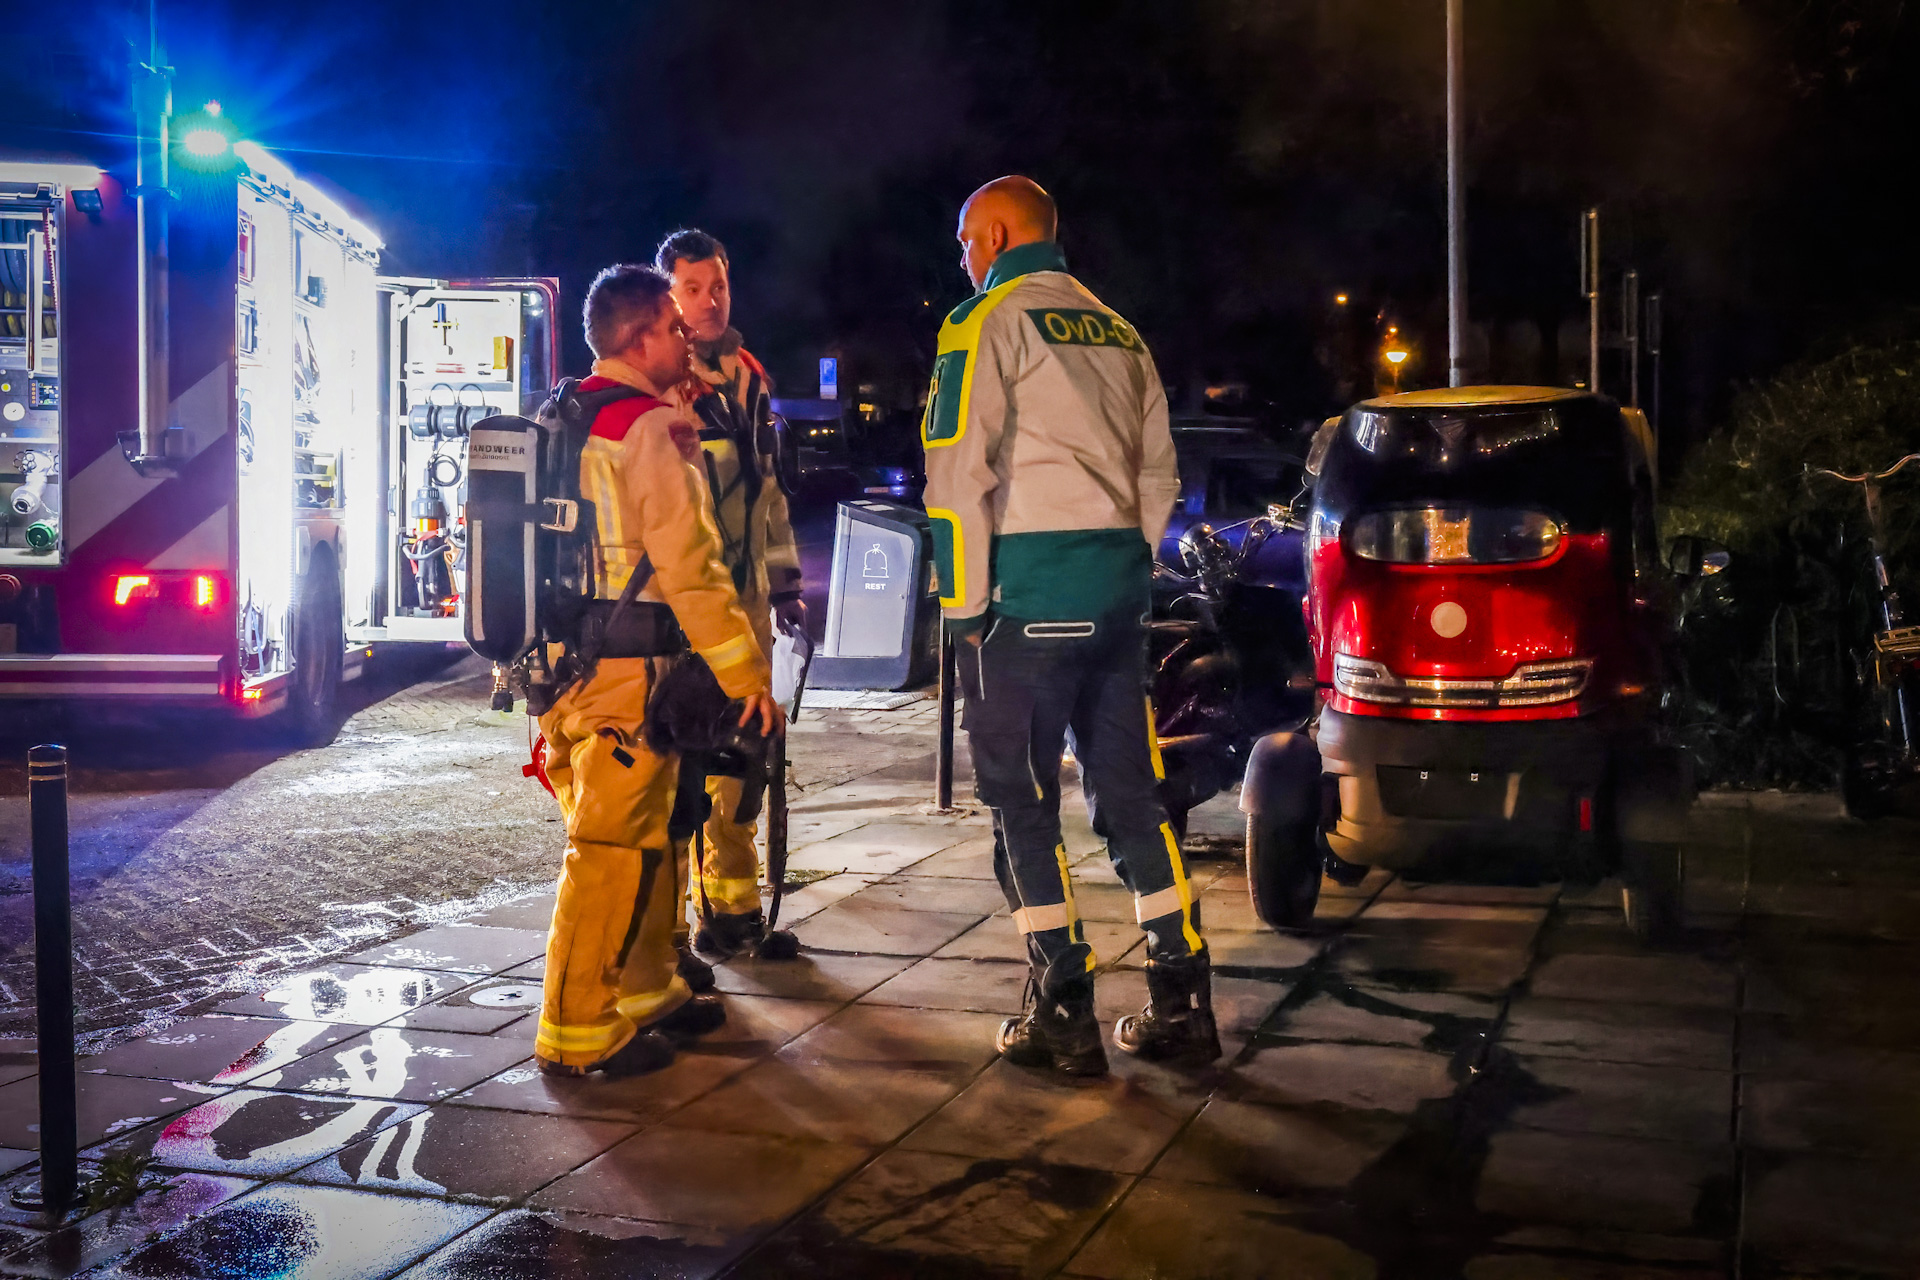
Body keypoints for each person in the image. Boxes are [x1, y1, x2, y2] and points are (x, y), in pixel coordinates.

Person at [921, 176, 1213, 1077]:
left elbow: (955, 478)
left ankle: (1063, 1010)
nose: (963, 258)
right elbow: (1159, 476)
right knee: (1132, 799)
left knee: (1022, 804)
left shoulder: (985, 322)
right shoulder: (1119, 331)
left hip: (1023, 604)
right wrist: (1118, 568)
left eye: (967, 241)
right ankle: (1183, 1000)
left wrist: (965, 608)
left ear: (999, 235)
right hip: (1119, 602)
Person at [534, 263, 780, 1077]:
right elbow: (693, 566)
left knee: (653, 838)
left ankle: (644, 988)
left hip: (569, 666)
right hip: (628, 672)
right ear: (642, 336)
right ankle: (576, 1030)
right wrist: (745, 677)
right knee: (609, 847)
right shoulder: (647, 428)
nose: (686, 338)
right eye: (673, 326)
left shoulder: (565, 414)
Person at [656, 228, 806, 961]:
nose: (709, 300)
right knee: (683, 759)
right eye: (692, 288)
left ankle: (732, 908)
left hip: (744, 598)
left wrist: (784, 585)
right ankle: (675, 930)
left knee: (746, 754)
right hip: (682, 603)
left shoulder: (750, 375)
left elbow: (770, 493)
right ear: (668, 296)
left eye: (717, 285)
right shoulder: (660, 377)